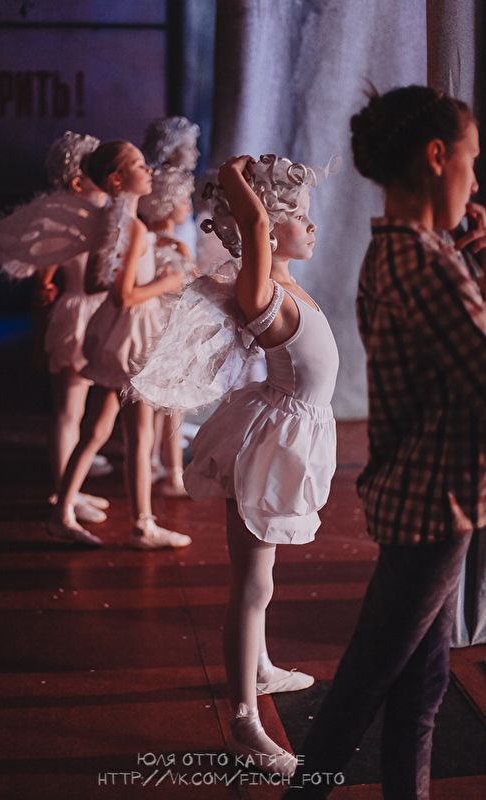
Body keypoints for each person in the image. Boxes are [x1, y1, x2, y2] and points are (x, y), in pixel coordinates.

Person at [284, 85, 486, 800]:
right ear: (436, 157)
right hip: (437, 499)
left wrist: (470, 259)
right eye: (470, 160)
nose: (473, 180)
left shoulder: (405, 252)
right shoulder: (426, 266)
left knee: (418, 682)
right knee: (365, 685)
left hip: (421, 492)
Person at [130, 152, 341, 776]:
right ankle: (245, 722)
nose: (312, 226)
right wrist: (231, 177)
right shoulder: (261, 288)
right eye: (299, 216)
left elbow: (259, 228)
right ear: (268, 228)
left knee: (262, 582)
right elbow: (252, 226)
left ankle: (262, 667)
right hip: (268, 445)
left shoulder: (287, 284)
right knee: (252, 585)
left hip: (285, 432)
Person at [47, 140, 190, 549]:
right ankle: (143, 525)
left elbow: (96, 282)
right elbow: (123, 296)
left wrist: (151, 249)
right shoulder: (134, 226)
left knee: (96, 430)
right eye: (140, 166)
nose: (149, 171)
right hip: (133, 338)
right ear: (117, 178)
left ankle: (62, 511)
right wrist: (166, 281)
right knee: (139, 436)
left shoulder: (111, 222)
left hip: (115, 335)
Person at [0, 131, 111, 525]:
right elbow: (44, 279)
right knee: (69, 411)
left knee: (83, 411)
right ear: (76, 183)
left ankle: (72, 487)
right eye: (96, 172)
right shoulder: (66, 221)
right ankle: (63, 493)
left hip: (98, 313)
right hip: (77, 316)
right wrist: (41, 333)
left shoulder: (102, 216)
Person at [138, 164, 196, 496]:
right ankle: (174, 473)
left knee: (154, 405)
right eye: (184, 200)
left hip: (148, 327)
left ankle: (152, 464)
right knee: (174, 405)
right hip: (170, 330)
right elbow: (193, 287)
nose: (188, 207)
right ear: (167, 203)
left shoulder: (145, 242)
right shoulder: (176, 246)